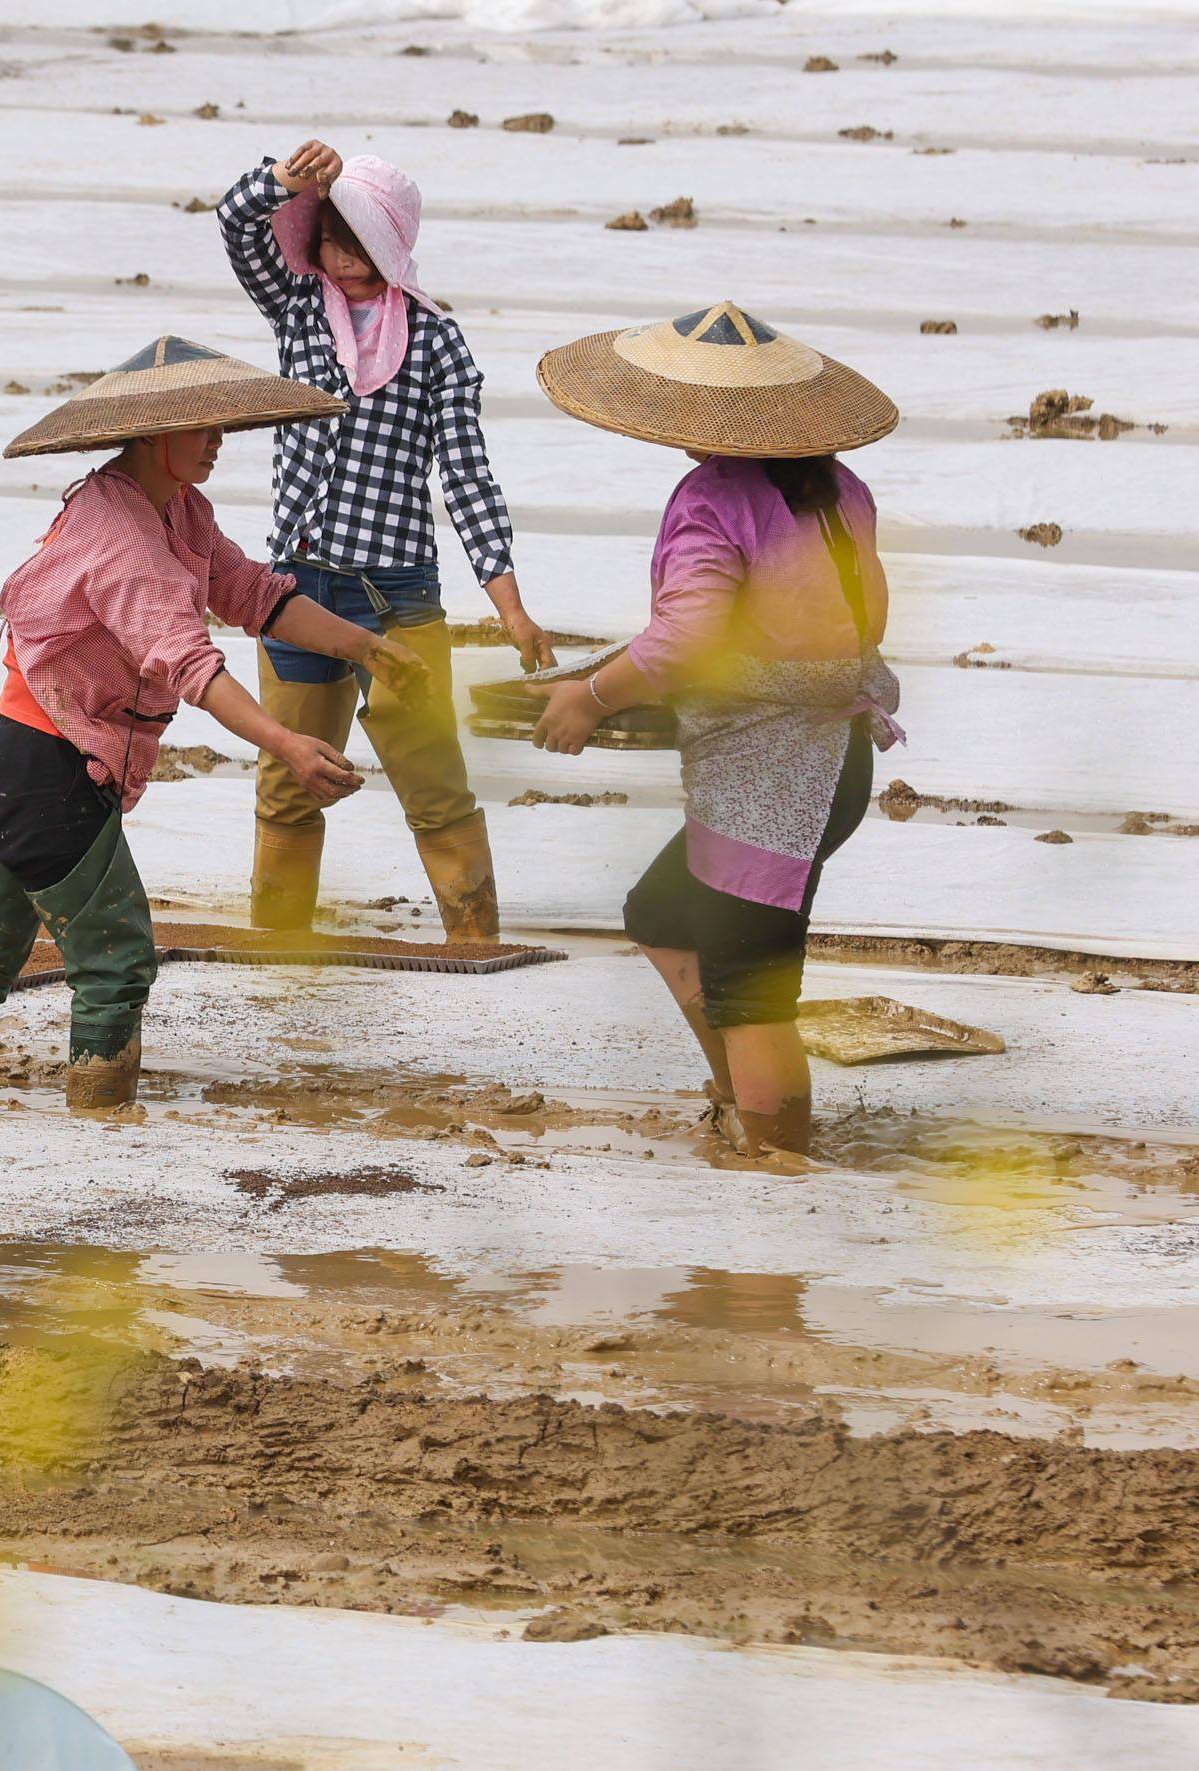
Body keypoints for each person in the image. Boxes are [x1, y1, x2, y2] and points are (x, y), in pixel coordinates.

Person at [0, 338, 427, 1107]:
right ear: (155, 433)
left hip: (13, 765)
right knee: (117, 959)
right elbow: (190, 663)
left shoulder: (176, 509)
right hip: (43, 773)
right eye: (204, 430)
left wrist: (367, 647)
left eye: (223, 429)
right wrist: (285, 742)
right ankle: (101, 1122)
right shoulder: (122, 536)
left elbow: (253, 593)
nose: (218, 443)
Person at [530, 302, 902, 1162]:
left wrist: (592, 693)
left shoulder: (714, 499)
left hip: (768, 775)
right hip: (835, 759)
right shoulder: (839, 486)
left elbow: (691, 636)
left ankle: (782, 1171)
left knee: (752, 988)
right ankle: (742, 1100)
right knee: (661, 911)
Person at [217, 140, 552, 939]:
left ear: (394, 245)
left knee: (432, 780)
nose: (345, 257)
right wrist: (283, 182)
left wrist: (511, 609)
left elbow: (467, 479)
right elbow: (234, 227)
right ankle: (280, 951)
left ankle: (475, 942)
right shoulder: (296, 309)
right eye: (332, 237)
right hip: (294, 592)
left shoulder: (437, 342)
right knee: (288, 785)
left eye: (364, 242)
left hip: (398, 599)